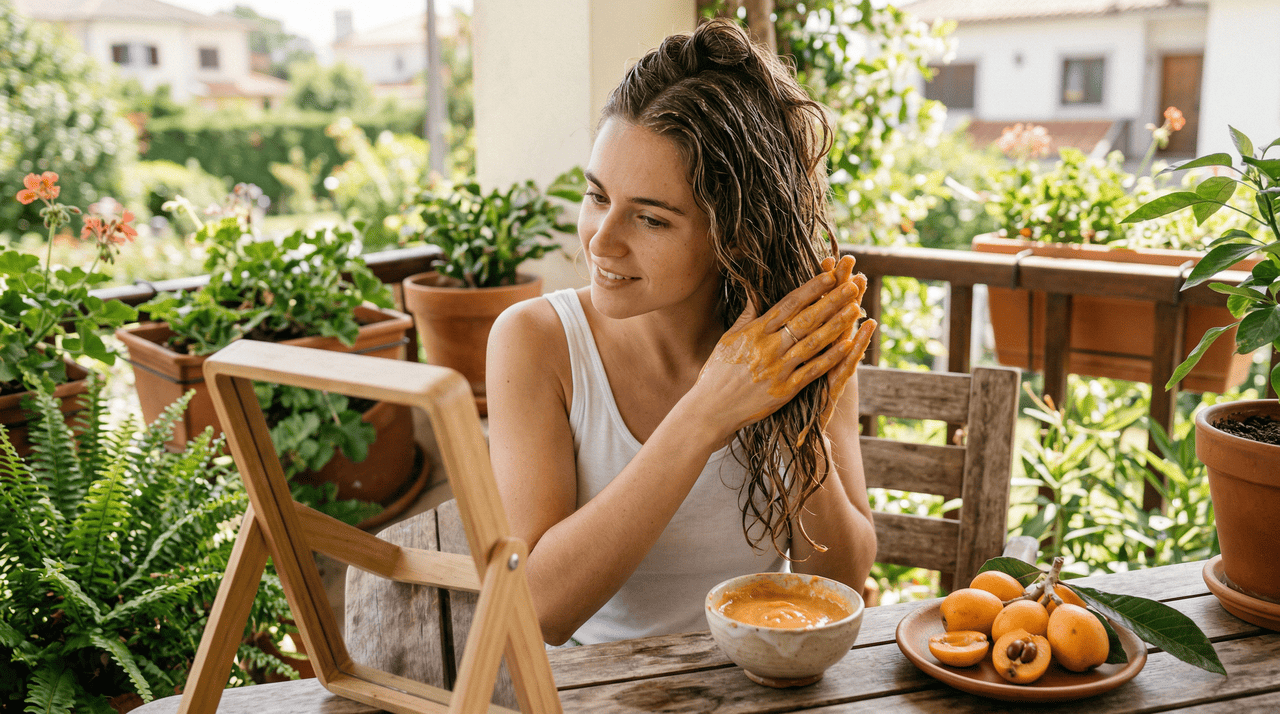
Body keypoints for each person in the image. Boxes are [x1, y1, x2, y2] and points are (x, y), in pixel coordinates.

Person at [486, 18, 878, 647]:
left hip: (752, 678)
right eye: (597, 195)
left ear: (734, 236)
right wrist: (707, 412)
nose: (601, 240)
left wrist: (801, 428)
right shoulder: (536, 341)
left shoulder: (791, 343)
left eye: (650, 219)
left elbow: (840, 580)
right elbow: (537, 609)